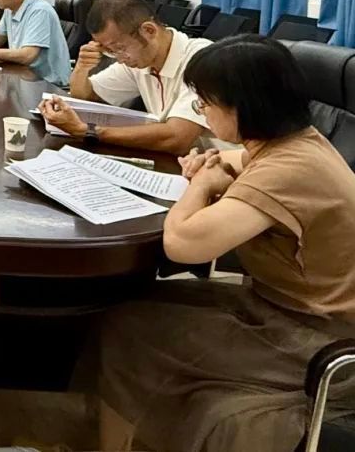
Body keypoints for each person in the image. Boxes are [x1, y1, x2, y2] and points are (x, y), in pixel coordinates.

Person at [95, 36, 355, 452]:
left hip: (313, 335)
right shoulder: (297, 142)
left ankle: (122, 441)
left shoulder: (289, 169)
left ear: (242, 106)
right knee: (136, 309)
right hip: (278, 307)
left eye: (205, 103)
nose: (201, 111)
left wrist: (201, 183)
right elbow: (236, 162)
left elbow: (183, 244)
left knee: (130, 328)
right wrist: (211, 163)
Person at [39, 0, 220, 156]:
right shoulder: (139, 60)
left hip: (219, 167)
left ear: (149, 31)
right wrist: (81, 68)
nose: (119, 59)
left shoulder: (202, 59)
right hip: (184, 161)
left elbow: (177, 138)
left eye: (119, 48)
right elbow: (86, 96)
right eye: (111, 51)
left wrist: (88, 131)